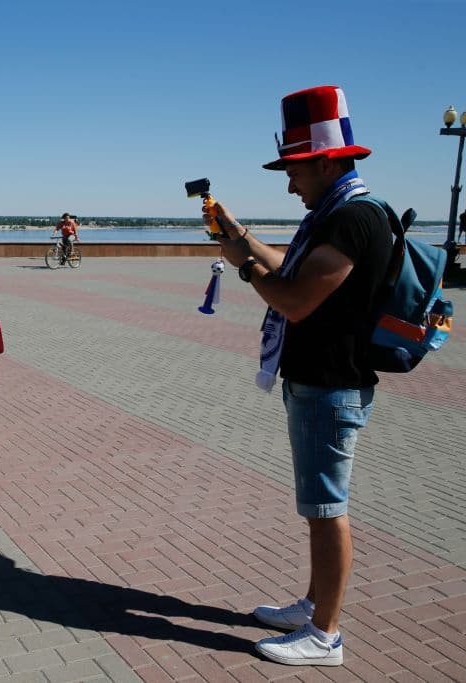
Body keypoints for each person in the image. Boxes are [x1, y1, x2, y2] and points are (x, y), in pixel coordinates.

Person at [208, 86, 392, 667]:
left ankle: (325, 634)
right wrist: (238, 236)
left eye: (294, 171)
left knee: (325, 509)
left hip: (333, 385)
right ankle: (314, 605)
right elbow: (288, 269)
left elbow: (293, 299)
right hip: (317, 381)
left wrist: (243, 269)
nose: (290, 185)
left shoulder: (355, 219)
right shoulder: (332, 215)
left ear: (327, 162)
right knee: (318, 507)